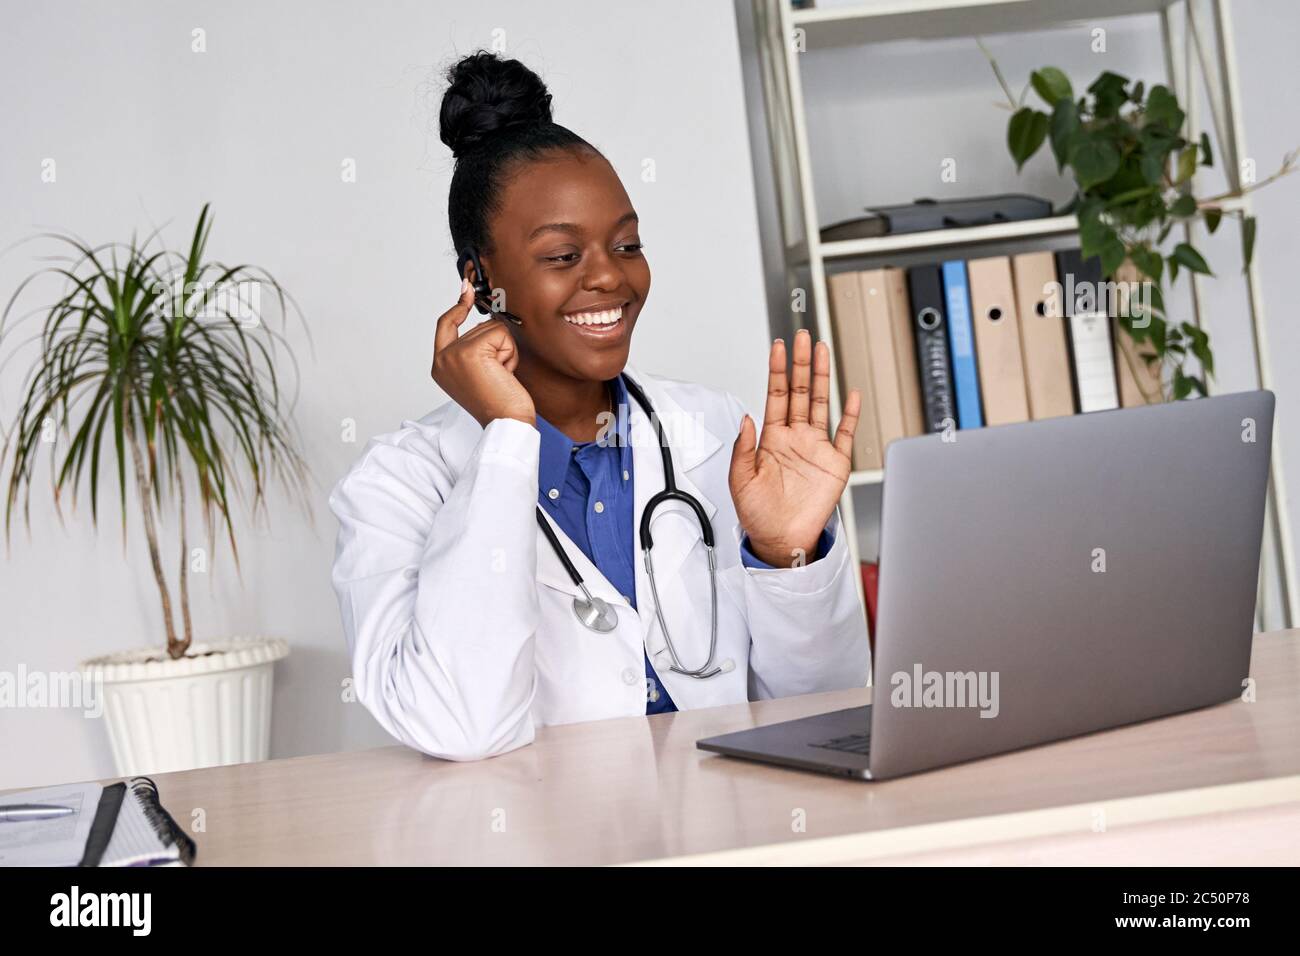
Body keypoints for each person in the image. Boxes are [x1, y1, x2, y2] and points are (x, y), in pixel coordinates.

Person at [328, 50, 869, 761]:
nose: (611, 276)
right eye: (562, 256)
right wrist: (507, 439)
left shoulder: (713, 431)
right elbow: (459, 727)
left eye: (627, 243)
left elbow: (828, 705)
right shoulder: (394, 488)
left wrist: (785, 559)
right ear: (479, 278)